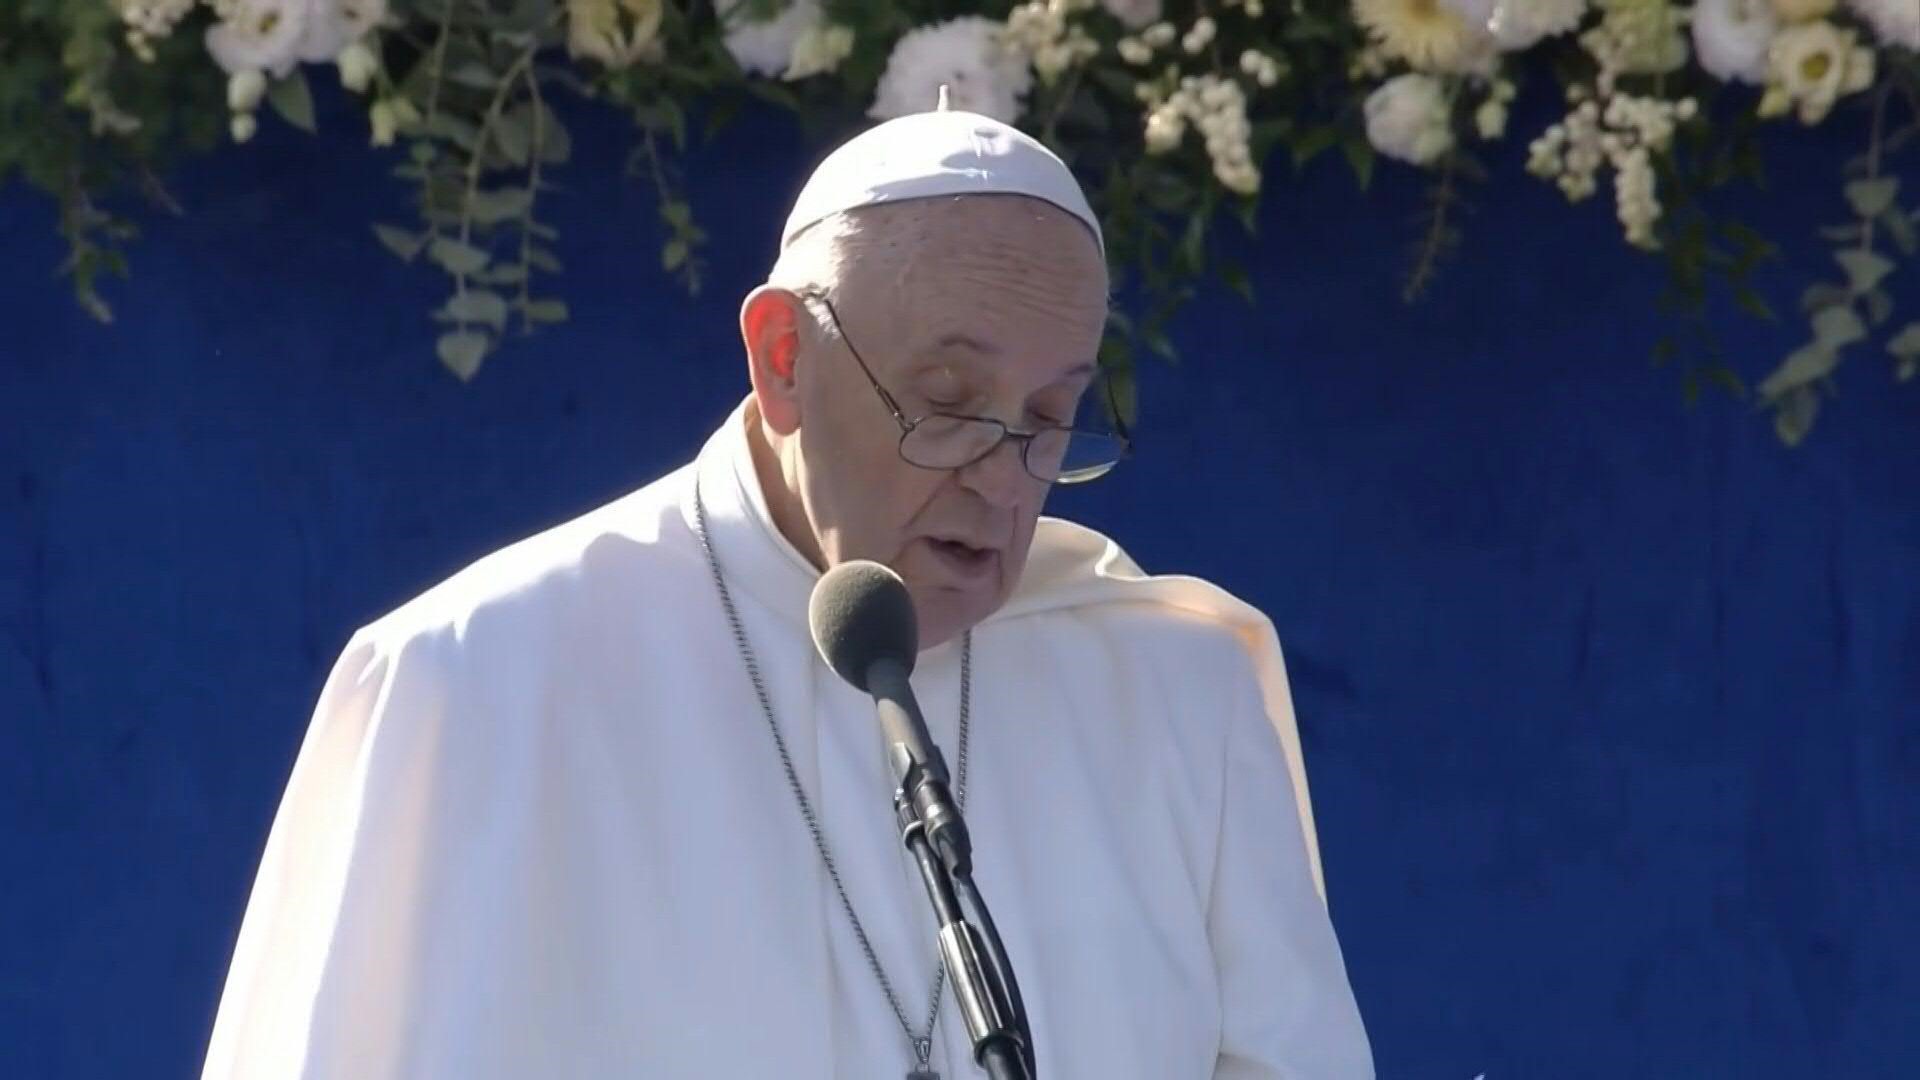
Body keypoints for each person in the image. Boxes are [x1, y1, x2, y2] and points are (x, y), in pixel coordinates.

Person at [201, 96, 1374, 1079]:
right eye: (949, 403)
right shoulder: (477, 681)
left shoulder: (1172, 696)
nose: (1006, 479)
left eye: (1052, 415)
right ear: (782, 360)